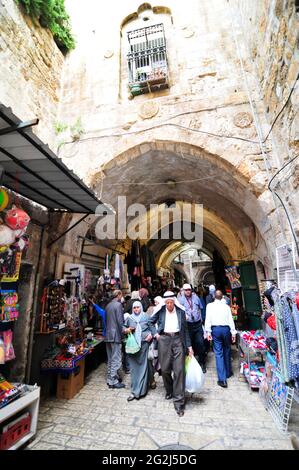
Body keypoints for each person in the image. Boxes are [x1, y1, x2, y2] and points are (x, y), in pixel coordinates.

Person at [150, 291, 193, 417]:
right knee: (165, 369)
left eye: (171, 302)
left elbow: (185, 331)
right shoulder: (161, 310)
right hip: (164, 340)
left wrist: (189, 346)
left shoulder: (180, 311)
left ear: (174, 301)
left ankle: (179, 402)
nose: (169, 305)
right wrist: (156, 334)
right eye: (167, 302)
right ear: (164, 302)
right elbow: (150, 322)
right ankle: (169, 390)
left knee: (179, 370)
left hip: (178, 340)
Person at [124, 301, 156, 401]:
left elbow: (152, 327)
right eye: (134, 308)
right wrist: (127, 330)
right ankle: (136, 389)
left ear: (141, 308)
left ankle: (139, 392)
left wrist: (151, 335)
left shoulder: (146, 317)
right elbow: (123, 327)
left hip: (144, 345)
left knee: (143, 367)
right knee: (134, 369)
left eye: (138, 307)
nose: (136, 309)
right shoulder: (129, 318)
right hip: (133, 346)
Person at [204, 290, 237, 388]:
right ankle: (228, 372)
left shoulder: (209, 306)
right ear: (222, 297)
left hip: (216, 330)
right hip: (226, 329)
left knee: (218, 353)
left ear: (214, 297)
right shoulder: (226, 307)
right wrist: (233, 332)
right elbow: (231, 320)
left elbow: (208, 319)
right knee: (227, 350)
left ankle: (222, 380)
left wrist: (208, 332)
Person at [178, 284, 207, 373]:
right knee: (189, 345)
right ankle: (190, 364)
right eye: (186, 290)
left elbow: (201, 308)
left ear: (191, 290)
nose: (187, 291)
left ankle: (202, 363)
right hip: (188, 325)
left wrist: (202, 320)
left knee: (200, 343)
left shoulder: (196, 298)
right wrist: (183, 317)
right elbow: (178, 313)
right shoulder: (180, 300)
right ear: (183, 290)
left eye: (189, 290)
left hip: (197, 324)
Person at [104, 290, 126, 389]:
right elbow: (120, 322)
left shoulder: (108, 305)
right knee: (116, 358)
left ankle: (110, 378)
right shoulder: (118, 305)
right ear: (118, 295)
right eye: (121, 295)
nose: (122, 297)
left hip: (108, 334)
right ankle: (113, 380)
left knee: (110, 358)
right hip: (115, 335)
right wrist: (123, 334)